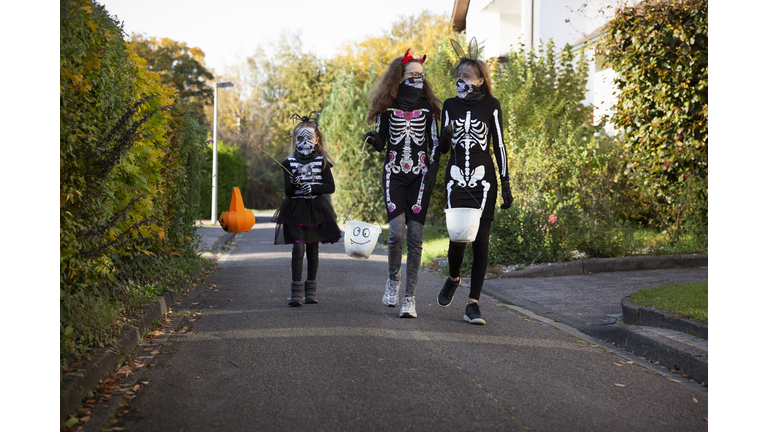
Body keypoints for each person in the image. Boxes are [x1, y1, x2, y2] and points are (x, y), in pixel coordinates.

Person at [436, 39, 513, 325]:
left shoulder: (492, 105)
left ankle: (473, 304)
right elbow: (443, 149)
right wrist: (446, 134)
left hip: (484, 181)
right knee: (457, 239)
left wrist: (505, 182)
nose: (461, 80)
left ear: (480, 80)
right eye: (459, 76)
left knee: (481, 242)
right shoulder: (449, 105)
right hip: (455, 180)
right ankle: (454, 277)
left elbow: (500, 146)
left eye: (467, 76)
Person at [364, 48, 442, 318]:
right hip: (395, 173)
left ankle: (410, 298)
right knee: (397, 234)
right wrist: (374, 140)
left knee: (416, 239)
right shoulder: (389, 107)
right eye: (412, 75)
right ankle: (393, 281)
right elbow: (382, 140)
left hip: (420, 176)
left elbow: (435, 144)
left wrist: (432, 171)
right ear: (400, 78)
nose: (417, 79)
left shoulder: (429, 108)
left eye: (420, 75)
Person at [272, 113, 342, 307]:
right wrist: (294, 183)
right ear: (295, 140)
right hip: (295, 209)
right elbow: (287, 191)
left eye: (308, 137)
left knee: (313, 247)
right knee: (298, 245)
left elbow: (330, 186)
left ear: (316, 139)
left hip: (316, 210)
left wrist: (313, 188)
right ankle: (296, 292)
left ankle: (310, 291)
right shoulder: (288, 163)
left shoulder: (322, 162)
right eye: (300, 138)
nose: (304, 141)